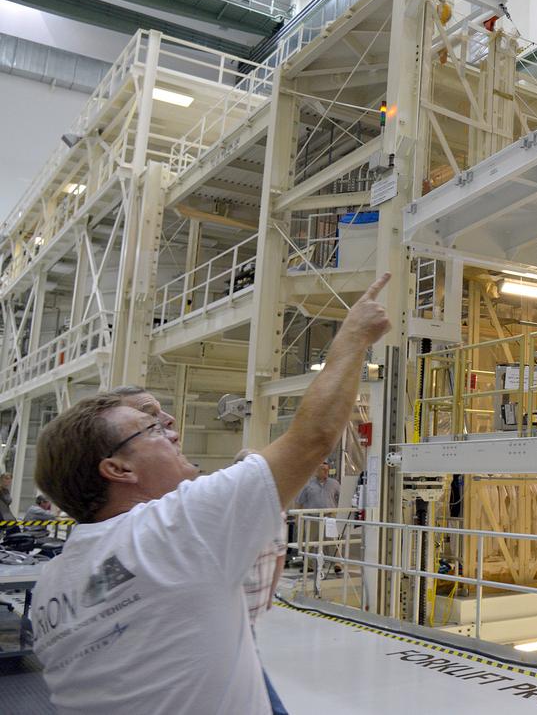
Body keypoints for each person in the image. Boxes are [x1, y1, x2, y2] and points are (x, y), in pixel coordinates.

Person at [29, 273, 391, 715]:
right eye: (153, 428)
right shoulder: (173, 529)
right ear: (117, 468)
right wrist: (355, 334)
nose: (172, 431)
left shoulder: (51, 585)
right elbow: (313, 437)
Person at [235, 448, 289, 715]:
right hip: (251, 603)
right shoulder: (276, 510)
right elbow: (281, 554)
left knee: (250, 667)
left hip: (240, 604)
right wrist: (269, 594)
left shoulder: (233, 512)